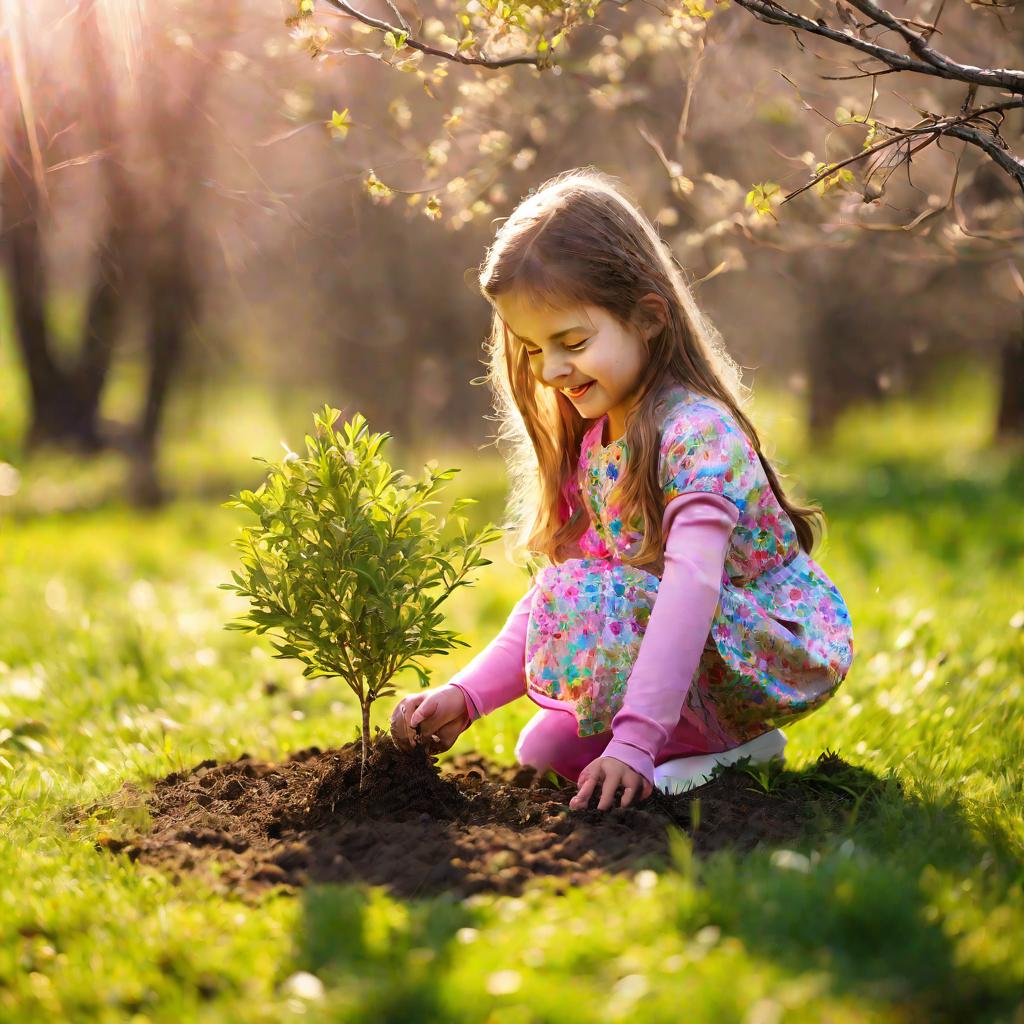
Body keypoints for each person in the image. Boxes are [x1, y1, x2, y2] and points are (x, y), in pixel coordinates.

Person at [390, 166, 854, 813]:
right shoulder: (597, 440)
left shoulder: (696, 433)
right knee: (543, 751)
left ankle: (733, 751)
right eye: (531, 350)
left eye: (571, 342)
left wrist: (635, 742)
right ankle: (692, 741)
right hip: (693, 650)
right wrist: (466, 697)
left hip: (760, 651)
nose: (550, 370)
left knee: (600, 682)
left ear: (647, 317)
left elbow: (693, 586)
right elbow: (562, 595)